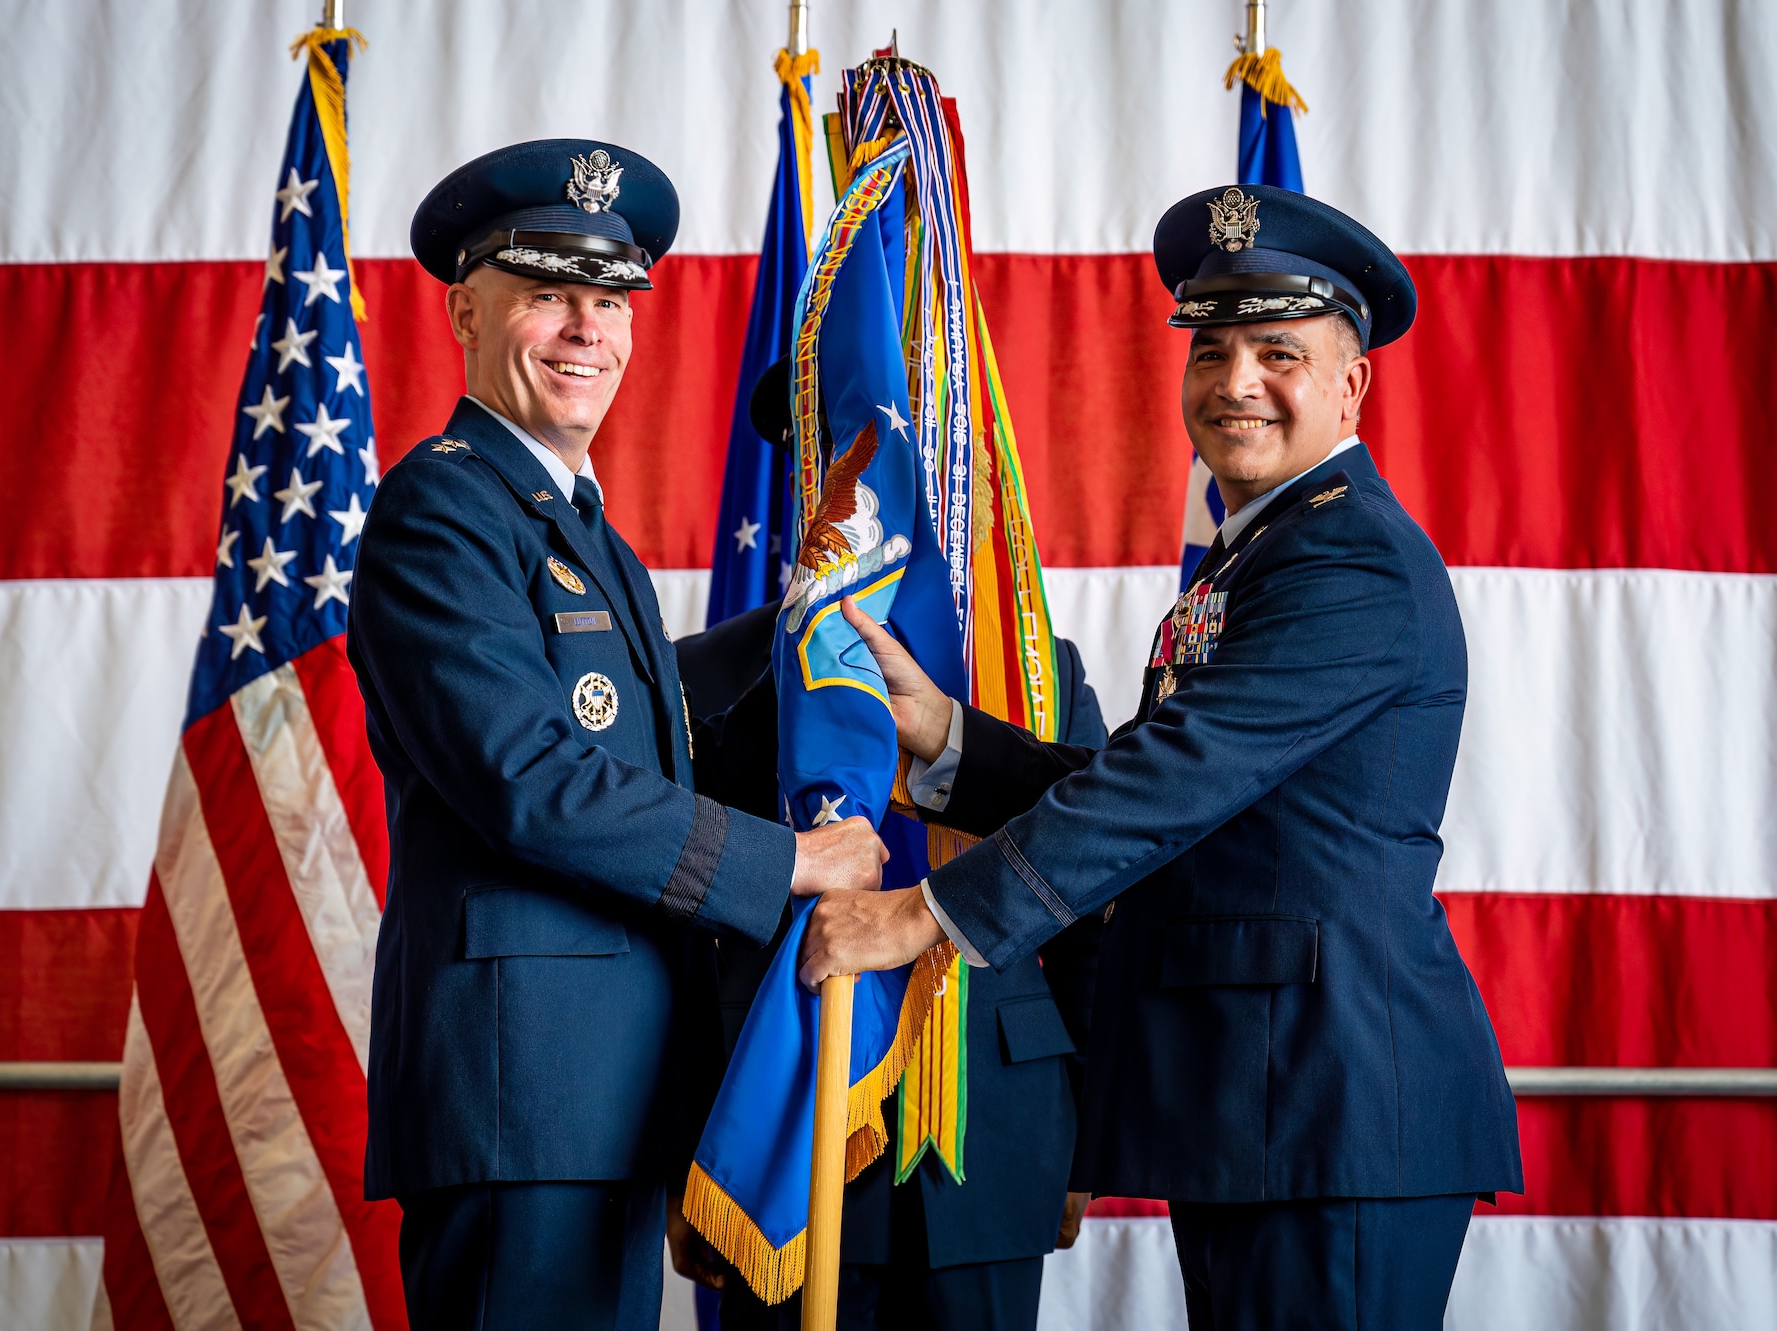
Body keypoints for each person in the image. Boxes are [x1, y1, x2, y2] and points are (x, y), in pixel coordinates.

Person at [796, 184, 1524, 1329]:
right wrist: (942, 736)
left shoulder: (1350, 563)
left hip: (1331, 1107)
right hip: (1264, 1102)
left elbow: (1165, 782)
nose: (1235, 381)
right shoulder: (1260, 555)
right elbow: (1170, 795)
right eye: (1211, 348)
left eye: (1277, 351)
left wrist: (920, 913)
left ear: (1351, 382)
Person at [346, 139, 888, 1331]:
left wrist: (799, 617)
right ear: (465, 308)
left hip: (597, 1083)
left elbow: (641, 715)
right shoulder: (439, 505)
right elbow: (531, 776)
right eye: (547, 293)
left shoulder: (576, 524)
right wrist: (791, 863)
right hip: (516, 1086)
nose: (585, 328)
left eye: (609, 299)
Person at [667, 365, 1108, 1330]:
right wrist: (682, 1151)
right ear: (804, 480)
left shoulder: (1036, 671)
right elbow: (676, 939)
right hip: (784, 1119)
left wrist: (1085, 1148)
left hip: (996, 1130)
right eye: (846, 464)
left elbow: (1092, 917)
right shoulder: (701, 676)